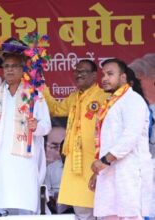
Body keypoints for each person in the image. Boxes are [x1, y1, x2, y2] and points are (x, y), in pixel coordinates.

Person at [0, 53, 51, 215]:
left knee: (22, 200)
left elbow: (46, 126)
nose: (9, 70)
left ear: (22, 69)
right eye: (6, 66)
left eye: (14, 66)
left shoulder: (34, 94)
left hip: (23, 159)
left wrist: (36, 126)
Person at [42, 59, 110, 219]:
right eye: (77, 71)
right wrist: (41, 86)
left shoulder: (104, 97)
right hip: (76, 163)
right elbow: (55, 109)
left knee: (103, 209)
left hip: (96, 161)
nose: (79, 74)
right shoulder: (74, 97)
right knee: (82, 210)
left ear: (94, 75)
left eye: (83, 71)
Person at [90, 58, 153, 220]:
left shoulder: (133, 100)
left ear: (123, 78)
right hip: (110, 173)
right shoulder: (111, 104)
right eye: (103, 74)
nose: (104, 78)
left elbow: (130, 137)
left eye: (110, 74)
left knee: (130, 215)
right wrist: (99, 172)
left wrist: (104, 161)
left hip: (129, 173)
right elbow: (108, 141)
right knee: (109, 215)